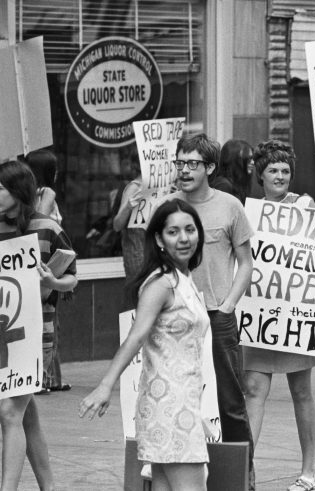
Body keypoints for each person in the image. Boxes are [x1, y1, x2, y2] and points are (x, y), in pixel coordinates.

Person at [80, 199, 209, 490]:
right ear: (159, 240)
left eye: (190, 229)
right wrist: (105, 385)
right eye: (173, 232)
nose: (184, 238)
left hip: (179, 403)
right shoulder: (161, 284)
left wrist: (198, 416)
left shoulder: (183, 278)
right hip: (170, 407)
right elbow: (135, 337)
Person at [167, 133, 256, 485]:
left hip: (217, 317)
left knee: (229, 402)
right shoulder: (168, 206)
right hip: (176, 317)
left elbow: (246, 262)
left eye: (192, 164)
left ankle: (242, 478)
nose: (185, 170)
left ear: (210, 168)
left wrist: (230, 304)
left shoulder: (230, 206)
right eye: (180, 163)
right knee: (178, 398)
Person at [242, 140, 315, 491]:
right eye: (273, 170)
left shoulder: (303, 204)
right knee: (253, 389)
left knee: (302, 392)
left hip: (297, 314)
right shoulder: (247, 212)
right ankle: (245, 470)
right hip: (262, 313)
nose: (280, 176)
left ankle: (309, 471)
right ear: (260, 175)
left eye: (286, 171)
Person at [0, 160, 78, 491]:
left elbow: (72, 277)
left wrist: (53, 281)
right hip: (3, 338)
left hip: (36, 336)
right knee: (24, 414)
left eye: (1, 188)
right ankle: (49, 486)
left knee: (9, 413)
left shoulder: (46, 228)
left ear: (18, 191)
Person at [25, 149, 70, 393]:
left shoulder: (28, 195)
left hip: (44, 258)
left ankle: (53, 377)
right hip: (47, 260)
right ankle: (42, 377)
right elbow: (41, 221)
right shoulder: (47, 193)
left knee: (50, 322)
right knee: (47, 323)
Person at [112, 155, 146, 285]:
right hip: (138, 257)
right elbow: (117, 225)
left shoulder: (162, 187)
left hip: (156, 256)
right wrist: (128, 207)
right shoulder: (134, 188)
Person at [212, 139, 254, 204]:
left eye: (252, 158)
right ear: (234, 159)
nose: (252, 162)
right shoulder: (223, 185)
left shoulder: (237, 183)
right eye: (247, 158)